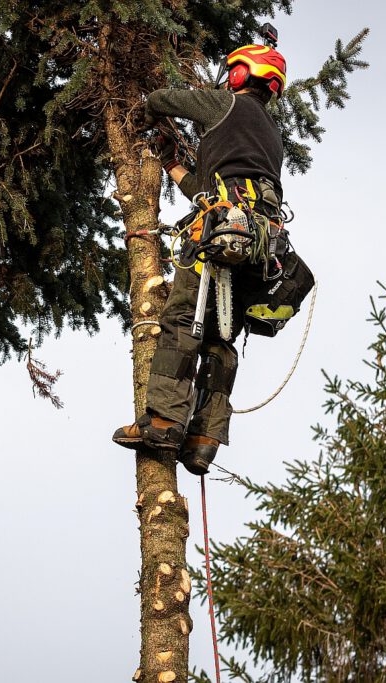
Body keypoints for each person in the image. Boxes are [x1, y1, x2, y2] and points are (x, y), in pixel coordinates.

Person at [113, 42, 291, 475]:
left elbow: (164, 99)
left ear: (239, 75)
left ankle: (163, 421)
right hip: (259, 244)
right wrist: (171, 164)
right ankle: (203, 438)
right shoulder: (270, 136)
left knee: (180, 323)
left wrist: (146, 112)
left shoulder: (227, 104)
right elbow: (209, 191)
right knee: (220, 338)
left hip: (219, 234)